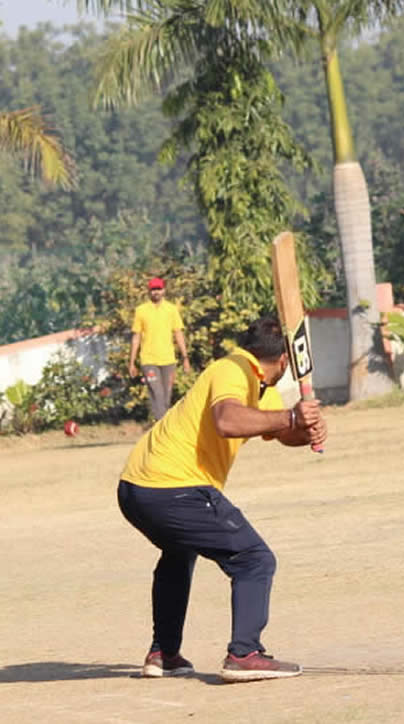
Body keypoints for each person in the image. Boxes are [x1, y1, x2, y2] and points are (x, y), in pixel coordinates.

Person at [117, 316, 326, 683]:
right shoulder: (232, 370)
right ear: (283, 361)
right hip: (173, 486)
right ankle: (244, 653)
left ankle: (164, 654)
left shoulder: (260, 384)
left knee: (179, 553)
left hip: (138, 487)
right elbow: (227, 421)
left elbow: (277, 430)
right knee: (254, 558)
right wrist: (291, 415)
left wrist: (305, 429)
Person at [128, 277, 192, 422]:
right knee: (156, 394)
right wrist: (132, 362)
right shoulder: (141, 311)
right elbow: (136, 337)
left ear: (164, 290)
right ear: (149, 292)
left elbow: (178, 333)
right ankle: (162, 428)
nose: (156, 292)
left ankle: (162, 426)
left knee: (166, 397)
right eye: (153, 290)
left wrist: (185, 357)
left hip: (168, 360)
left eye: (158, 289)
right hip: (149, 359)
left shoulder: (171, 309)